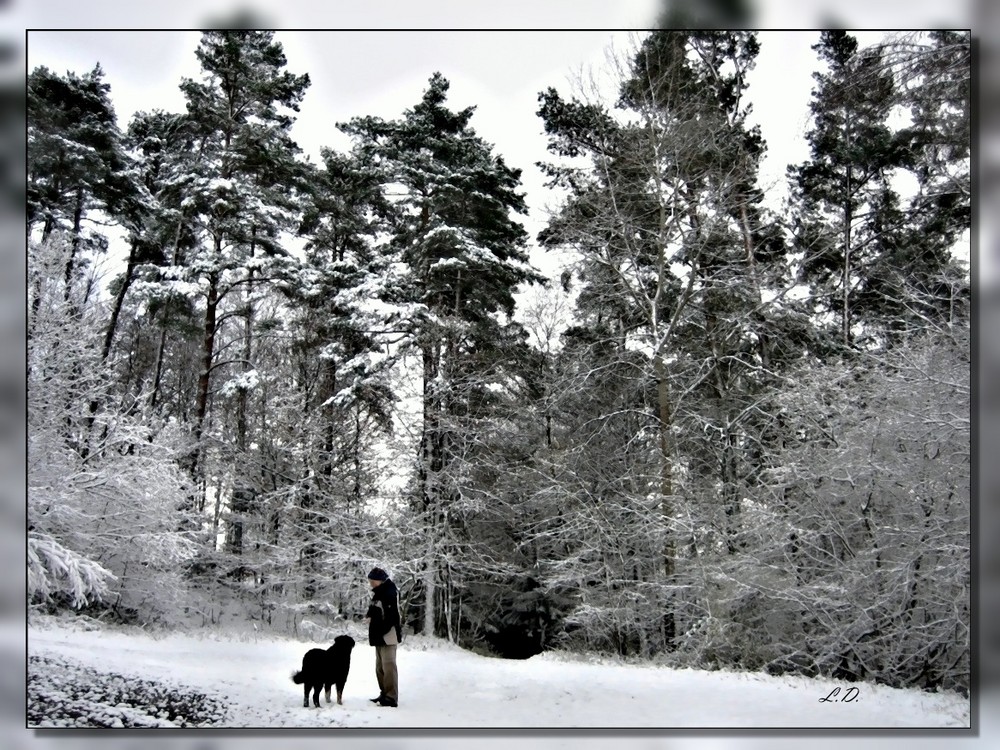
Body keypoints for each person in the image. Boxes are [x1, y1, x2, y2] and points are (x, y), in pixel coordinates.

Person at [365, 567, 401, 707]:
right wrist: (369, 616)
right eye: (370, 581)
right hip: (379, 635)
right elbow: (375, 609)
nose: (371, 584)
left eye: (372, 581)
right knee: (380, 667)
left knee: (388, 666)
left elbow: (391, 617)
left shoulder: (389, 593)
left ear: (379, 580)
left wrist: (380, 631)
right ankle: (384, 693)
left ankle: (391, 697)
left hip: (388, 635)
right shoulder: (379, 593)